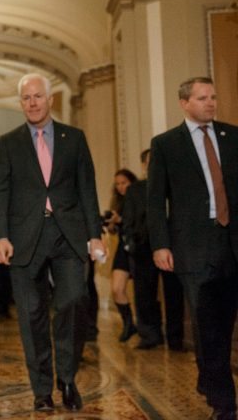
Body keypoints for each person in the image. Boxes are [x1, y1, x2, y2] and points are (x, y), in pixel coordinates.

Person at [0, 73, 106, 413]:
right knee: (31, 315)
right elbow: (0, 192)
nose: (33, 103)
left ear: (50, 99)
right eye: (26, 98)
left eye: (38, 96)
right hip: (24, 239)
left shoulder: (74, 138)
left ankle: (67, 379)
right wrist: (0, 235)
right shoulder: (9, 142)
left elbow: (88, 188)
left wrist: (95, 234)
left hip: (68, 234)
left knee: (73, 302)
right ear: (21, 103)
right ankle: (42, 389)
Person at [148, 77, 237, 420]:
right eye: (203, 98)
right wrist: (160, 245)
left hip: (234, 242)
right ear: (185, 103)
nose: (211, 103)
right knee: (207, 323)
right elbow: (156, 202)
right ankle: (224, 403)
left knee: (225, 323)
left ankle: (209, 375)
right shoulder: (167, 145)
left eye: (213, 97)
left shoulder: (233, 137)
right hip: (194, 247)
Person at [122, 149, 184, 351]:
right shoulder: (135, 189)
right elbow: (129, 219)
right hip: (143, 248)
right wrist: (131, 240)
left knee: (174, 295)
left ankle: (176, 339)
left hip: (173, 247)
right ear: (144, 166)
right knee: (144, 294)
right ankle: (149, 335)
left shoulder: (174, 186)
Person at [107, 168, 138, 342]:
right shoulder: (118, 203)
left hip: (138, 247)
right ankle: (128, 323)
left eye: (123, 183)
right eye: (117, 184)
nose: (120, 187)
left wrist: (122, 220)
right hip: (122, 248)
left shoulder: (139, 198)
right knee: (117, 289)